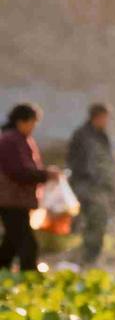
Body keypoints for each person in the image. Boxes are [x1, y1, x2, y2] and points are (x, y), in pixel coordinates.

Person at [0, 103, 59, 271]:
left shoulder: (18, 139)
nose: (33, 127)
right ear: (21, 121)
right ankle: (30, 280)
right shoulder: (10, 140)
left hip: (16, 200)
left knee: (10, 244)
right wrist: (45, 175)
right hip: (10, 200)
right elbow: (18, 171)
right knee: (28, 245)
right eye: (32, 122)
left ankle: (3, 274)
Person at [67, 103, 115, 266]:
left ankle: (89, 259)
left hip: (99, 187)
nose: (107, 121)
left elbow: (106, 161)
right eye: (105, 117)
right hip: (87, 186)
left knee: (97, 223)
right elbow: (79, 161)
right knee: (94, 222)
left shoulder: (102, 135)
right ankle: (86, 260)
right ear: (98, 116)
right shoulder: (82, 135)